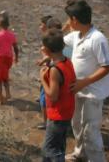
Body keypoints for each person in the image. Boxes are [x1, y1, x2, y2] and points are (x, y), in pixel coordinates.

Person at [64, 0, 109, 162]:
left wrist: (84, 82)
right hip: (78, 90)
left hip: (93, 93)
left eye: (69, 19)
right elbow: (57, 38)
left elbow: (106, 67)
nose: (68, 23)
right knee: (76, 124)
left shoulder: (98, 39)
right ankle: (80, 153)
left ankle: (97, 159)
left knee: (91, 131)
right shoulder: (76, 36)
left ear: (75, 20)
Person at [40, 29, 76, 162]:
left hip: (57, 115)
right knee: (59, 145)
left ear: (48, 50)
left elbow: (52, 96)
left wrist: (43, 79)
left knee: (49, 149)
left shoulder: (55, 70)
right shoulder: (68, 62)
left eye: (43, 46)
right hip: (67, 111)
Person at [0, 15, 19, 104]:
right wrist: (16, 57)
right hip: (9, 58)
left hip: (0, 58)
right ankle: (7, 94)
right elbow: (15, 47)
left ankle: (0, 98)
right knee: (5, 76)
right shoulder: (12, 35)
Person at [36, 15, 53, 130]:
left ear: (47, 27)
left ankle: (46, 122)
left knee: (44, 100)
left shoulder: (49, 40)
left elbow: (51, 56)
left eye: (41, 24)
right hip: (49, 69)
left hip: (49, 71)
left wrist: (43, 60)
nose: (40, 26)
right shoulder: (53, 38)